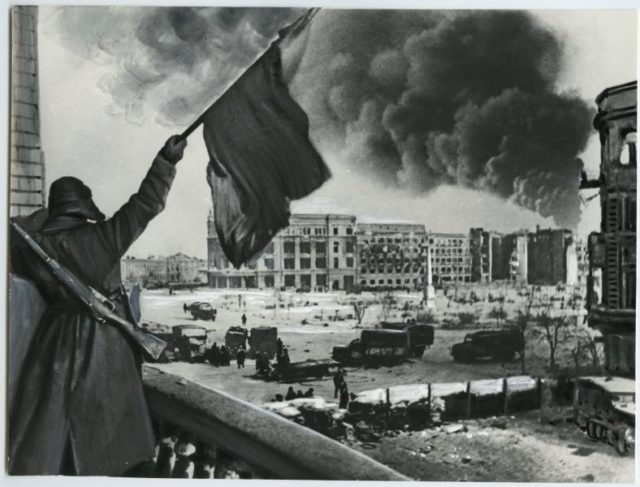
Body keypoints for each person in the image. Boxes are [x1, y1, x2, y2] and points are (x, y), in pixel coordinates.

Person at [8, 135, 187, 476]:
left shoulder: (29, 250)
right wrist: (166, 160)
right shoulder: (103, 238)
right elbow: (146, 203)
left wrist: (46, 220)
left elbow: (19, 226)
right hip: (104, 349)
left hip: (53, 346)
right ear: (83, 208)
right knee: (112, 450)